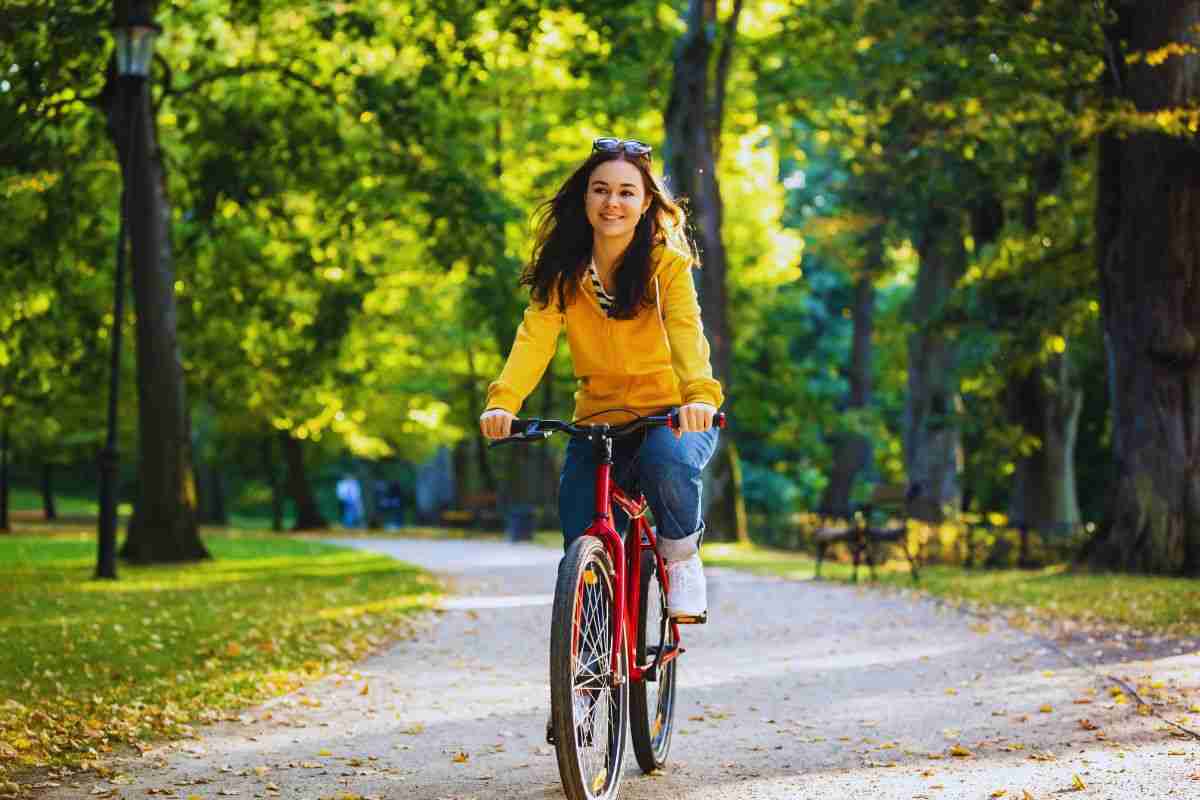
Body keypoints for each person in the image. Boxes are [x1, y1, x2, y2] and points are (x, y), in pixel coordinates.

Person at [479, 136, 723, 621]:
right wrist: (503, 402)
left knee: (665, 460)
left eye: (627, 192)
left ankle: (680, 556)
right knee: (580, 523)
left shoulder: (666, 268)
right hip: (598, 420)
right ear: (585, 197)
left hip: (672, 416)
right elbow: (535, 339)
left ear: (647, 201)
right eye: (600, 189)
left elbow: (686, 332)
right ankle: (590, 649)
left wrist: (697, 395)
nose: (613, 202)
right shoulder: (563, 273)